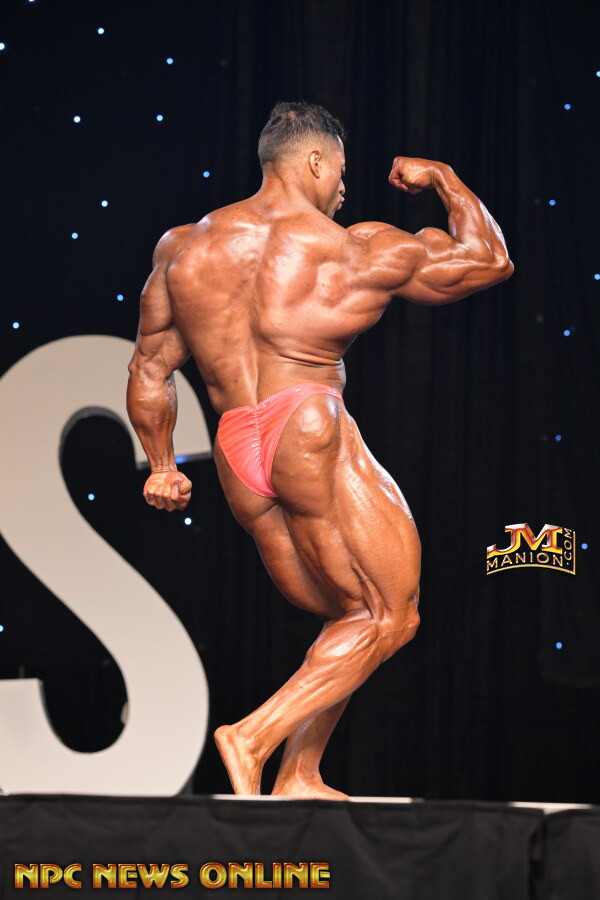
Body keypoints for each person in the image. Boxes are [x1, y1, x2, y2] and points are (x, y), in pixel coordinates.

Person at [126, 100, 514, 799]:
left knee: (352, 615)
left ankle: (300, 773)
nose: (343, 188)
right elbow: (489, 260)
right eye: (340, 171)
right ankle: (251, 737)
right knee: (393, 614)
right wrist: (444, 178)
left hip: (237, 448)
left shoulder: (182, 248)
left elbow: (149, 369)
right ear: (313, 160)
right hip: (306, 423)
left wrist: (161, 465)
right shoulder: (353, 247)